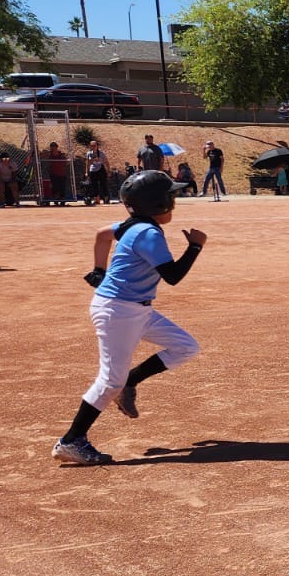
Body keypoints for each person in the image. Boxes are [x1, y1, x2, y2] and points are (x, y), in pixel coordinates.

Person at [53, 170, 206, 466]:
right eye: (171, 197)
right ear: (158, 205)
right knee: (110, 381)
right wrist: (195, 246)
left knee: (186, 347)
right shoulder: (147, 233)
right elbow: (172, 276)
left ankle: (130, 382)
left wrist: (99, 269)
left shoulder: (132, 226)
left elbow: (101, 234)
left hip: (135, 309)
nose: (174, 202)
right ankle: (71, 440)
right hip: (119, 312)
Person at [84, 141, 110, 205]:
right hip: (93, 170)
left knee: (103, 184)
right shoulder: (89, 153)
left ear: (97, 146)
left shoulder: (101, 153)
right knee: (94, 185)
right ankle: (97, 200)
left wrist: (108, 171)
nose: (93, 147)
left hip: (101, 169)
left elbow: (106, 162)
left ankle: (106, 199)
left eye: (94, 146)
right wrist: (86, 172)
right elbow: (88, 163)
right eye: (91, 146)